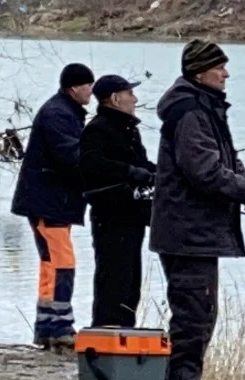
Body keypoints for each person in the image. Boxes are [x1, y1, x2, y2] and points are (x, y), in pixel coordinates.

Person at [150, 39, 245, 380]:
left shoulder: (204, 107)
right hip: (186, 232)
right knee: (194, 313)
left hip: (194, 231)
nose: (226, 73)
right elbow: (205, 172)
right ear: (200, 72)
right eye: (220, 67)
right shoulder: (191, 111)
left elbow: (229, 160)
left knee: (200, 311)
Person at [11, 63, 93, 351]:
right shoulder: (58, 114)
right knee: (62, 263)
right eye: (88, 85)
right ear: (74, 87)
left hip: (50, 200)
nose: (91, 91)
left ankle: (45, 326)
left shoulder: (64, 111)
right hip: (49, 201)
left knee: (50, 263)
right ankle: (60, 326)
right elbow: (70, 156)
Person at [80, 75, 156, 328]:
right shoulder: (98, 129)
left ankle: (126, 334)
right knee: (113, 279)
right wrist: (131, 172)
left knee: (131, 282)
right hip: (110, 216)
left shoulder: (128, 129)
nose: (134, 99)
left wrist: (160, 173)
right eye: (129, 93)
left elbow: (142, 163)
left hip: (133, 215)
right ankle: (106, 334)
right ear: (115, 98)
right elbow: (93, 165)